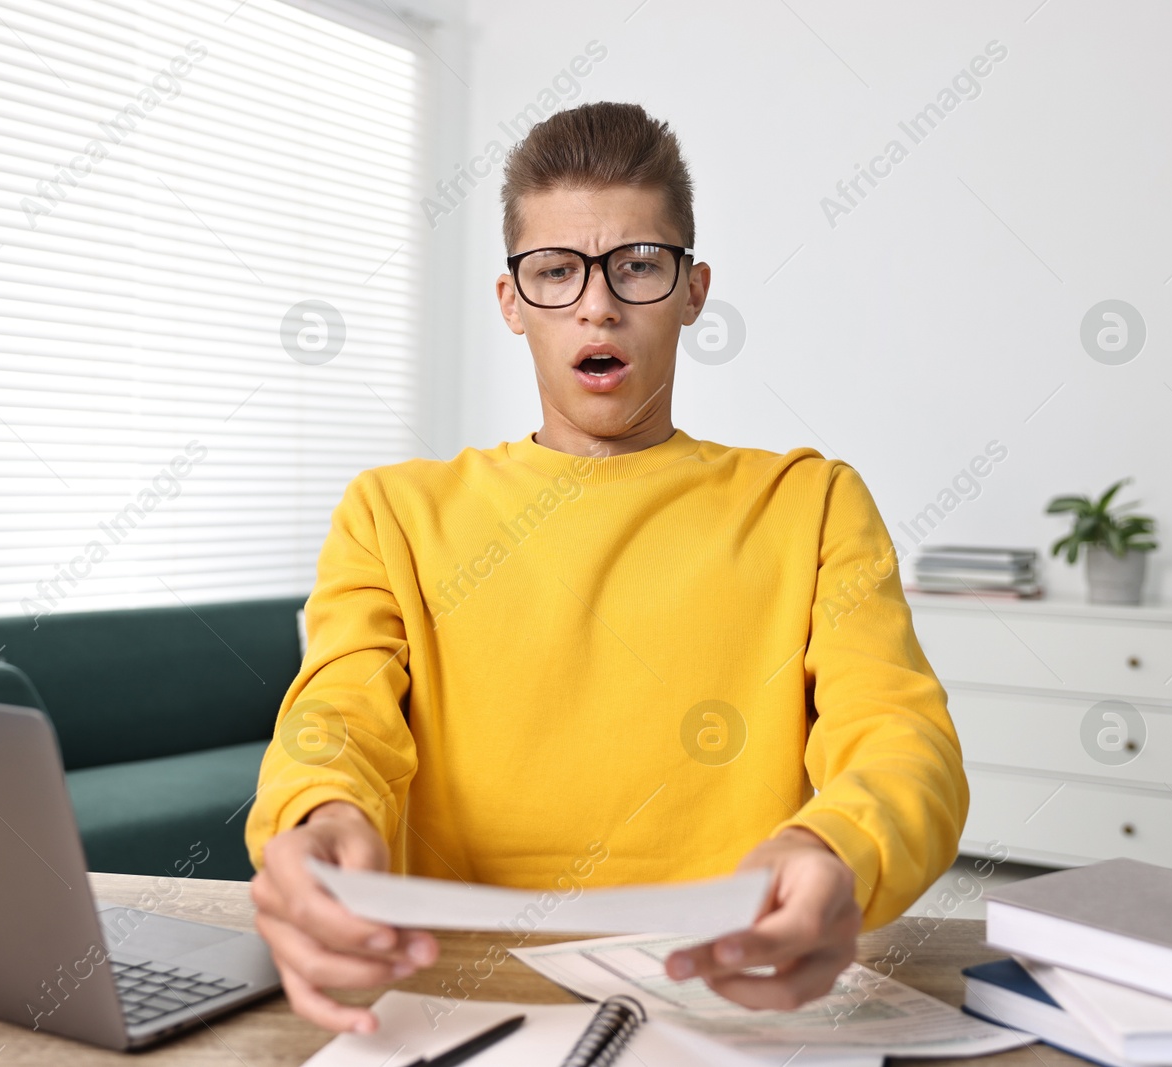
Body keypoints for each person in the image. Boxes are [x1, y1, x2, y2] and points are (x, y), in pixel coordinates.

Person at [246, 101, 968, 1033]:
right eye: (555, 270)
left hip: (729, 996)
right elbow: (335, 716)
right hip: (450, 1001)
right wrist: (317, 818)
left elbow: (900, 734)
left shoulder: (812, 503)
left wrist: (837, 846)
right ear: (511, 301)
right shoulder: (394, 512)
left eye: (638, 265)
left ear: (693, 291)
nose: (598, 303)